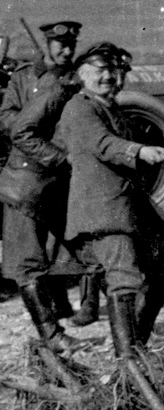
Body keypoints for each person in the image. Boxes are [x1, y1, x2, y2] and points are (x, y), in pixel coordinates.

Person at [58, 42, 164, 357]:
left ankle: (136, 345)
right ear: (82, 75)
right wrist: (138, 150)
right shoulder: (79, 107)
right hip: (103, 210)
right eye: (100, 71)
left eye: (113, 70)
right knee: (123, 280)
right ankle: (128, 361)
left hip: (127, 207)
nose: (108, 77)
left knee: (163, 271)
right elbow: (102, 144)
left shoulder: (112, 107)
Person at [0, 20, 100, 326]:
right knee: (32, 254)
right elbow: (8, 118)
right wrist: (35, 119)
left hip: (63, 177)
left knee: (82, 245)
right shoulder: (25, 77)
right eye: (60, 45)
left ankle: (85, 309)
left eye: (71, 45)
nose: (66, 50)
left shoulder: (77, 80)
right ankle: (54, 324)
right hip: (31, 168)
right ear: (46, 45)